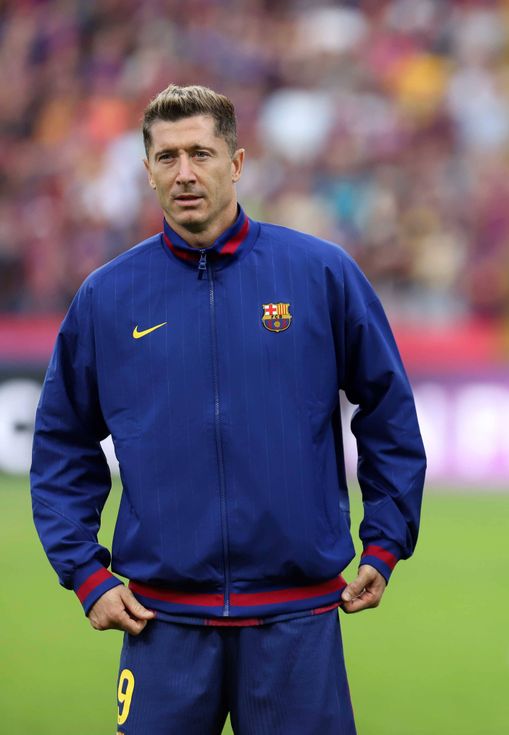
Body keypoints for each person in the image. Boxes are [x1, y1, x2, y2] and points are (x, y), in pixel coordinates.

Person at [30, 84, 426, 734]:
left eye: (201, 153)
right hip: (162, 622)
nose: (184, 173)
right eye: (167, 157)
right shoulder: (107, 297)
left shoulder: (320, 274)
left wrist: (384, 543)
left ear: (236, 163)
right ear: (148, 170)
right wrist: (85, 573)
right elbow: (61, 443)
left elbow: (389, 413)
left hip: (297, 620)